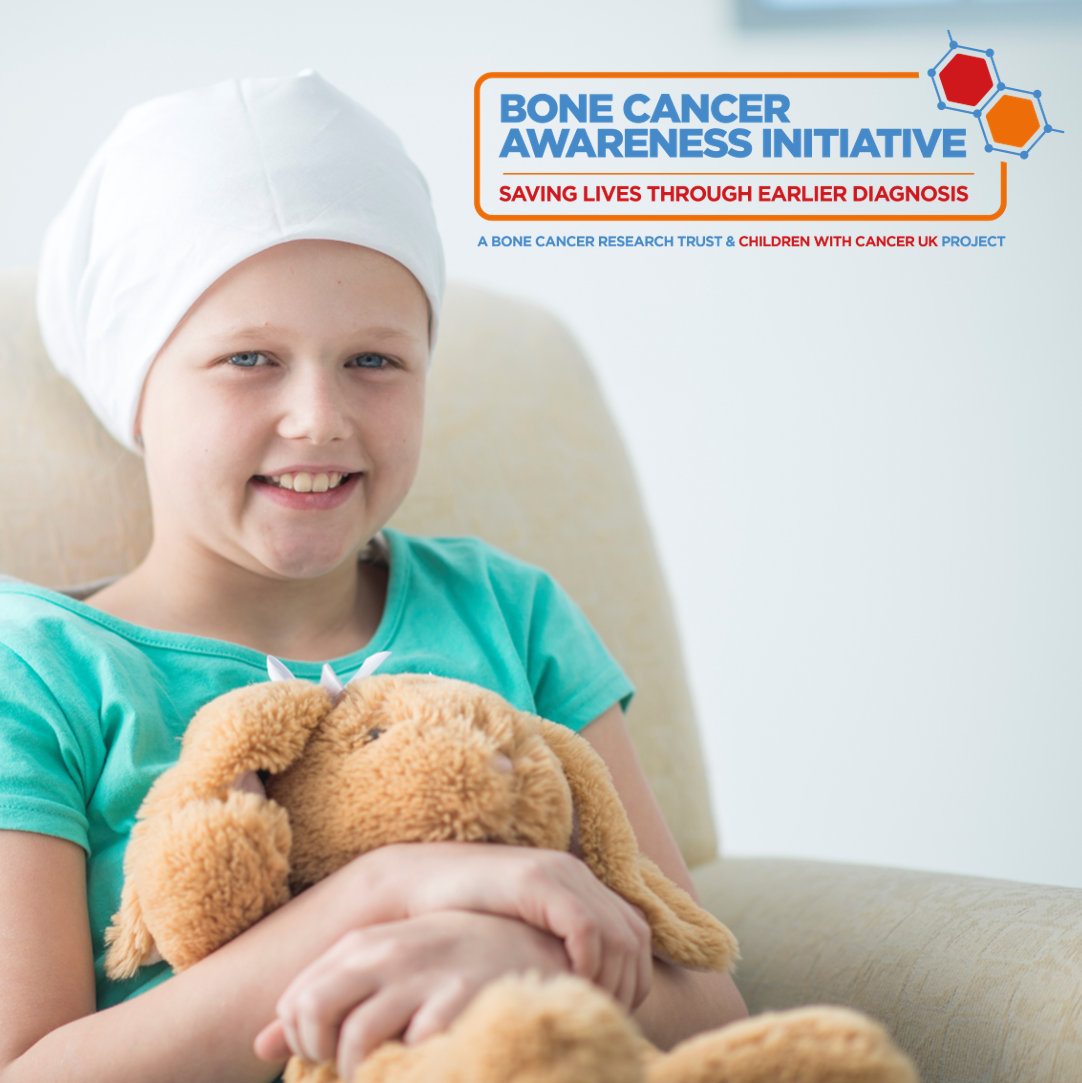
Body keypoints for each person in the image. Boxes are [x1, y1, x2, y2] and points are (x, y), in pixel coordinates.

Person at [0, 72, 747, 1083]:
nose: (319, 417)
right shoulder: (36, 671)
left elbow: (709, 1002)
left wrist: (524, 959)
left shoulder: (508, 614)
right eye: (250, 359)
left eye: (373, 362)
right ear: (138, 395)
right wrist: (380, 895)